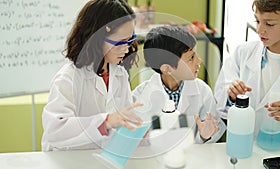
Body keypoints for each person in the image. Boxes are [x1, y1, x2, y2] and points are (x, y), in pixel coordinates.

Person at [42, 0, 143, 151]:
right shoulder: (68, 77)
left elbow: (123, 121)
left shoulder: (118, 74)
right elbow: (55, 130)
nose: (127, 49)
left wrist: (137, 132)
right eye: (120, 42)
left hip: (101, 158)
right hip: (67, 161)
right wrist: (106, 122)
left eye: (130, 40)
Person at [214, 0, 280, 140]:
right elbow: (219, 98)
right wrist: (231, 95)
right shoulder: (243, 53)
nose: (260, 30)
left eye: (269, 24)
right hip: (242, 141)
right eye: (257, 21)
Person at [133, 26, 226, 143]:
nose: (199, 61)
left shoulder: (203, 91)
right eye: (191, 58)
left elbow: (213, 134)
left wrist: (204, 136)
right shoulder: (140, 97)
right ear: (167, 69)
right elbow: (138, 143)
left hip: (193, 157)